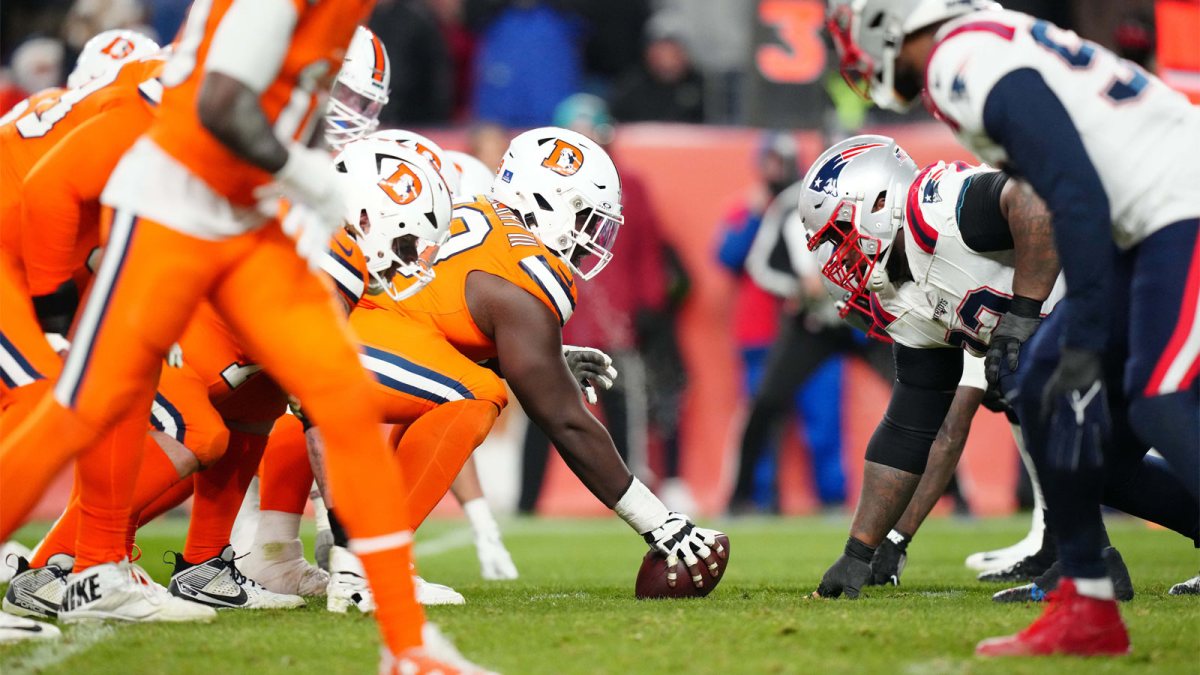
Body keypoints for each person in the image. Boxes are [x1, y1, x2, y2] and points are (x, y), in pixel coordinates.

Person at [0, 2, 477, 670]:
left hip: (245, 213)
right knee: (78, 406)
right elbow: (221, 102)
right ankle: (76, 559)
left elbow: (278, 107)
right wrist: (306, 177)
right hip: (174, 205)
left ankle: (410, 646)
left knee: (343, 401)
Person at [827, 0, 1200, 656]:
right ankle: (1087, 600)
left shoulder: (957, 62)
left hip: (1176, 198)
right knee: (1043, 394)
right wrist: (869, 546)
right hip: (1139, 218)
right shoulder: (973, 48)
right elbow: (917, 422)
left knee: (1160, 400)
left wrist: (1052, 320)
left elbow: (1061, 191)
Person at [519, 93, 692, 514]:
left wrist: (648, 305)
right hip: (559, 320)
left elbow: (646, 251)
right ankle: (526, 503)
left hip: (614, 324)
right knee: (541, 412)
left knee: (625, 412)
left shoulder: (628, 186)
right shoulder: (536, 189)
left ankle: (635, 502)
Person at [609, 11, 705, 124]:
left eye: (673, 52)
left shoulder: (704, 88)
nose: (667, 61)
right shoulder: (631, 87)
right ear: (648, 54)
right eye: (660, 52)